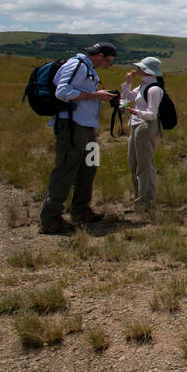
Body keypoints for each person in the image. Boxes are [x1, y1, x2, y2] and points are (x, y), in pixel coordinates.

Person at [39, 42, 118, 234]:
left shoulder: (87, 68)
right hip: (72, 126)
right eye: (107, 61)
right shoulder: (76, 66)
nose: (107, 65)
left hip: (87, 126)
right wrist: (95, 95)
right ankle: (50, 219)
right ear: (99, 55)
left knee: (90, 164)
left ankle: (81, 209)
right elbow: (62, 92)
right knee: (66, 168)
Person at [121, 56, 165, 215]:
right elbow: (125, 99)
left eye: (140, 67)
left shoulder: (154, 88)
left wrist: (134, 111)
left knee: (145, 165)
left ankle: (146, 202)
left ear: (146, 70)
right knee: (134, 163)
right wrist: (128, 83)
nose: (136, 69)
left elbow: (152, 114)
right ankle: (138, 200)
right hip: (136, 125)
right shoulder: (142, 85)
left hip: (146, 126)